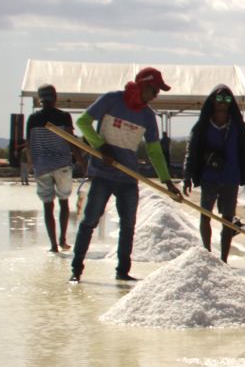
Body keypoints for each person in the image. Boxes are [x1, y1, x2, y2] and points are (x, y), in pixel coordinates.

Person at [69, 67, 182, 283]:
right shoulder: (111, 100)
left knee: (128, 226)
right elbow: (83, 122)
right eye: (155, 90)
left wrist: (167, 182)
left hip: (128, 177)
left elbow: (154, 151)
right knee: (89, 221)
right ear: (144, 85)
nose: (156, 95)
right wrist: (101, 146)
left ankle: (123, 271)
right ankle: (76, 269)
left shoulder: (148, 116)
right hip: (103, 174)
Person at [182, 85, 245, 263]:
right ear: (213, 101)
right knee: (206, 215)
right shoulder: (203, 126)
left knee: (227, 219)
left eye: (227, 100)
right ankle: (207, 255)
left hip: (230, 177)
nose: (222, 103)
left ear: (231, 103)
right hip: (209, 177)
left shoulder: (237, 126)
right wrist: (187, 175)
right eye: (219, 99)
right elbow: (192, 151)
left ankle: (223, 260)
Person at [26, 84, 84, 252]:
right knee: (64, 201)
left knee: (47, 204)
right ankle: (63, 240)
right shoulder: (64, 117)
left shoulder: (32, 119)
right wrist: (81, 160)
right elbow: (71, 141)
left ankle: (53, 245)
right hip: (62, 165)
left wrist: (31, 164)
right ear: (55, 98)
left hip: (42, 166)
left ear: (40, 99)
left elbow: (29, 145)